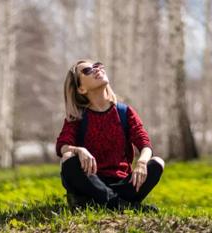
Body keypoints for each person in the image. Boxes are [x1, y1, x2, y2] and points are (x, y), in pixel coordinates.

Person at [56, 59, 165, 212]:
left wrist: (141, 162)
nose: (96, 69)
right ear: (81, 89)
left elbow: (144, 143)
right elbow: (62, 146)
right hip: (91, 182)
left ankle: (105, 203)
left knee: (157, 163)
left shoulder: (124, 112)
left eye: (97, 66)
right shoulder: (77, 117)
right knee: (68, 158)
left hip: (123, 184)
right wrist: (79, 150)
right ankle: (123, 205)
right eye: (87, 71)